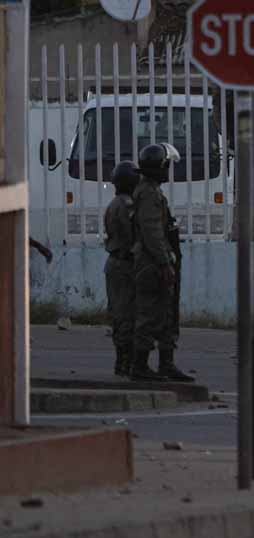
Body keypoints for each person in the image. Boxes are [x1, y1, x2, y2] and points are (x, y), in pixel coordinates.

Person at [127, 144, 190, 383]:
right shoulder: (148, 194)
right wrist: (165, 263)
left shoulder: (150, 190)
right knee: (150, 313)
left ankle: (166, 364)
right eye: (166, 166)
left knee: (165, 312)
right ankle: (140, 366)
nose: (168, 171)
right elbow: (152, 232)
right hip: (151, 263)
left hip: (154, 261)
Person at [103, 161, 140, 377]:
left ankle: (122, 361)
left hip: (115, 262)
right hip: (125, 263)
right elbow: (131, 236)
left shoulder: (114, 203)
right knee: (128, 314)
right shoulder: (127, 206)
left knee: (119, 313)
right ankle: (126, 361)